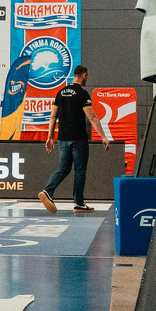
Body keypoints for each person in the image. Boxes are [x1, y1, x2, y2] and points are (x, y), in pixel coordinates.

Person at [38, 67, 107, 214]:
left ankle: (47, 191)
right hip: (78, 138)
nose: (87, 78)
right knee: (80, 170)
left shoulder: (60, 93)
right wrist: (103, 136)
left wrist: (50, 137)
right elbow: (92, 117)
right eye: (87, 76)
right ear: (84, 75)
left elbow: (52, 116)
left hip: (62, 138)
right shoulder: (82, 93)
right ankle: (79, 204)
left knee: (64, 168)